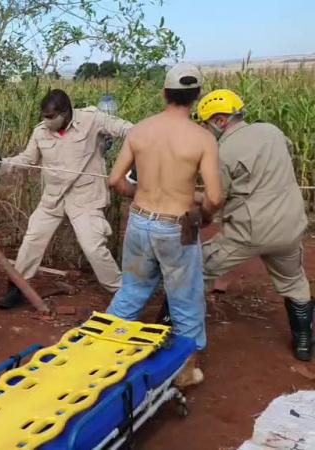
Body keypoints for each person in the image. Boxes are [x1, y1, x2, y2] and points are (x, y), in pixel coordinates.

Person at [107, 63, 224, 387]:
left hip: (140, 221)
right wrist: (203, 213)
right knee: (186, 299)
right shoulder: (202, 139)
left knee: (131, 291)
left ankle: (102, 357)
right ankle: (185, 372)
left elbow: (115, 180)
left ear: (164, 93)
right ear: (197, 97)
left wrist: (139, 193)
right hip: (177, 227)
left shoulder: (140, 130)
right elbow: (215, 196)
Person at [0, 89, 132, 308]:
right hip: (53, 198)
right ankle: (18, 288)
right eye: (44, 116)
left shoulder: (92, 119)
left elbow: (128, 130)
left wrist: (140, 152)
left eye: (51, 117)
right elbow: (27, 159)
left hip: (85, 198)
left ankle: (123, 294)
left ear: (65, 113)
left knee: (93, 247)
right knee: (32, 240)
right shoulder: (40, 132)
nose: (46, 121)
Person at [196, 89, 313, 361]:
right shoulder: (271, 130)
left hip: (249, 231)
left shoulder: (222, 151)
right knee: (294, 281)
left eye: (206, 123)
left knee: (198, 268)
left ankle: (172, 326)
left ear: (220, 120)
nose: (206, 129)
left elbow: (216, 198)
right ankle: (305, 342)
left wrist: (200, 212)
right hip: (291, 226)